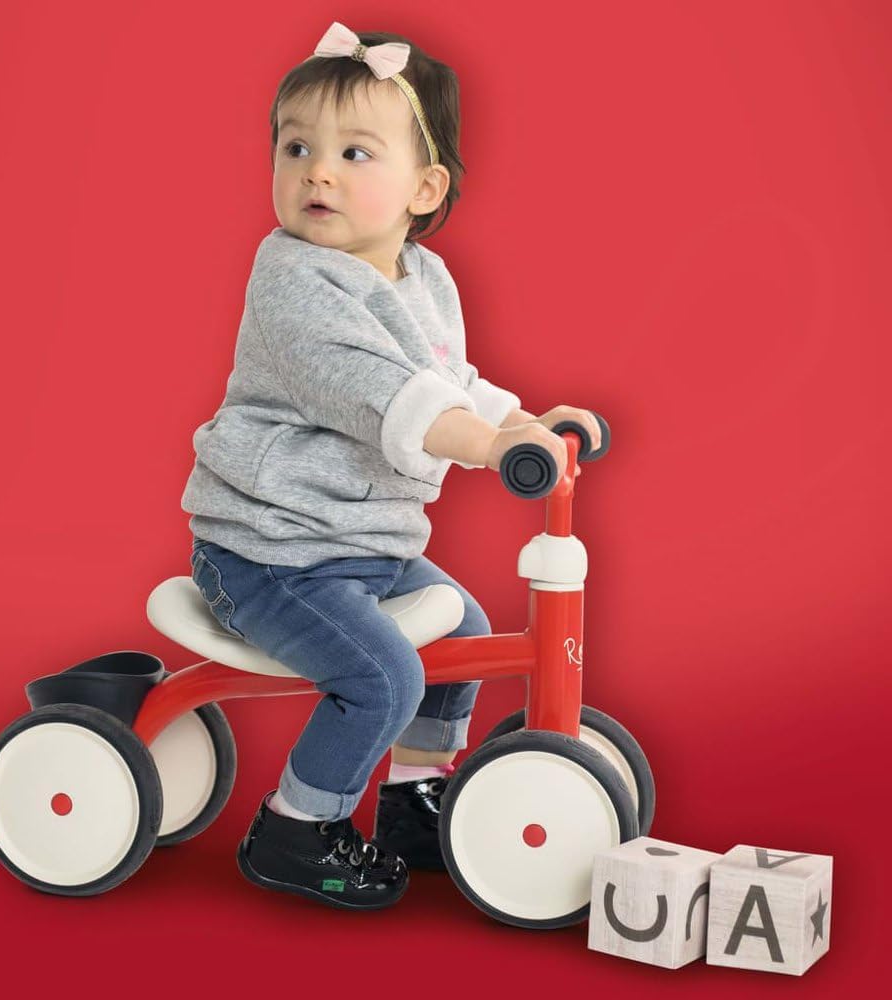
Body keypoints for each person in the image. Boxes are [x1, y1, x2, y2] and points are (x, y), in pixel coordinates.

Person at [180, 20, 602, 911]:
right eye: (296, 148)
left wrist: (522, 422)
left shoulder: (423, 277)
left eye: (354, 153)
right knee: (383, 677)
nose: (317, 173)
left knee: (463, 640)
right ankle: (296, 826)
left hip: (361, 545)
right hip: (270, 554)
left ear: (424, 188)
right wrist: (488, 447)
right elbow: (388, 398)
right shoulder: (295, 282)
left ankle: (413, 799)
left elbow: (448, 380)